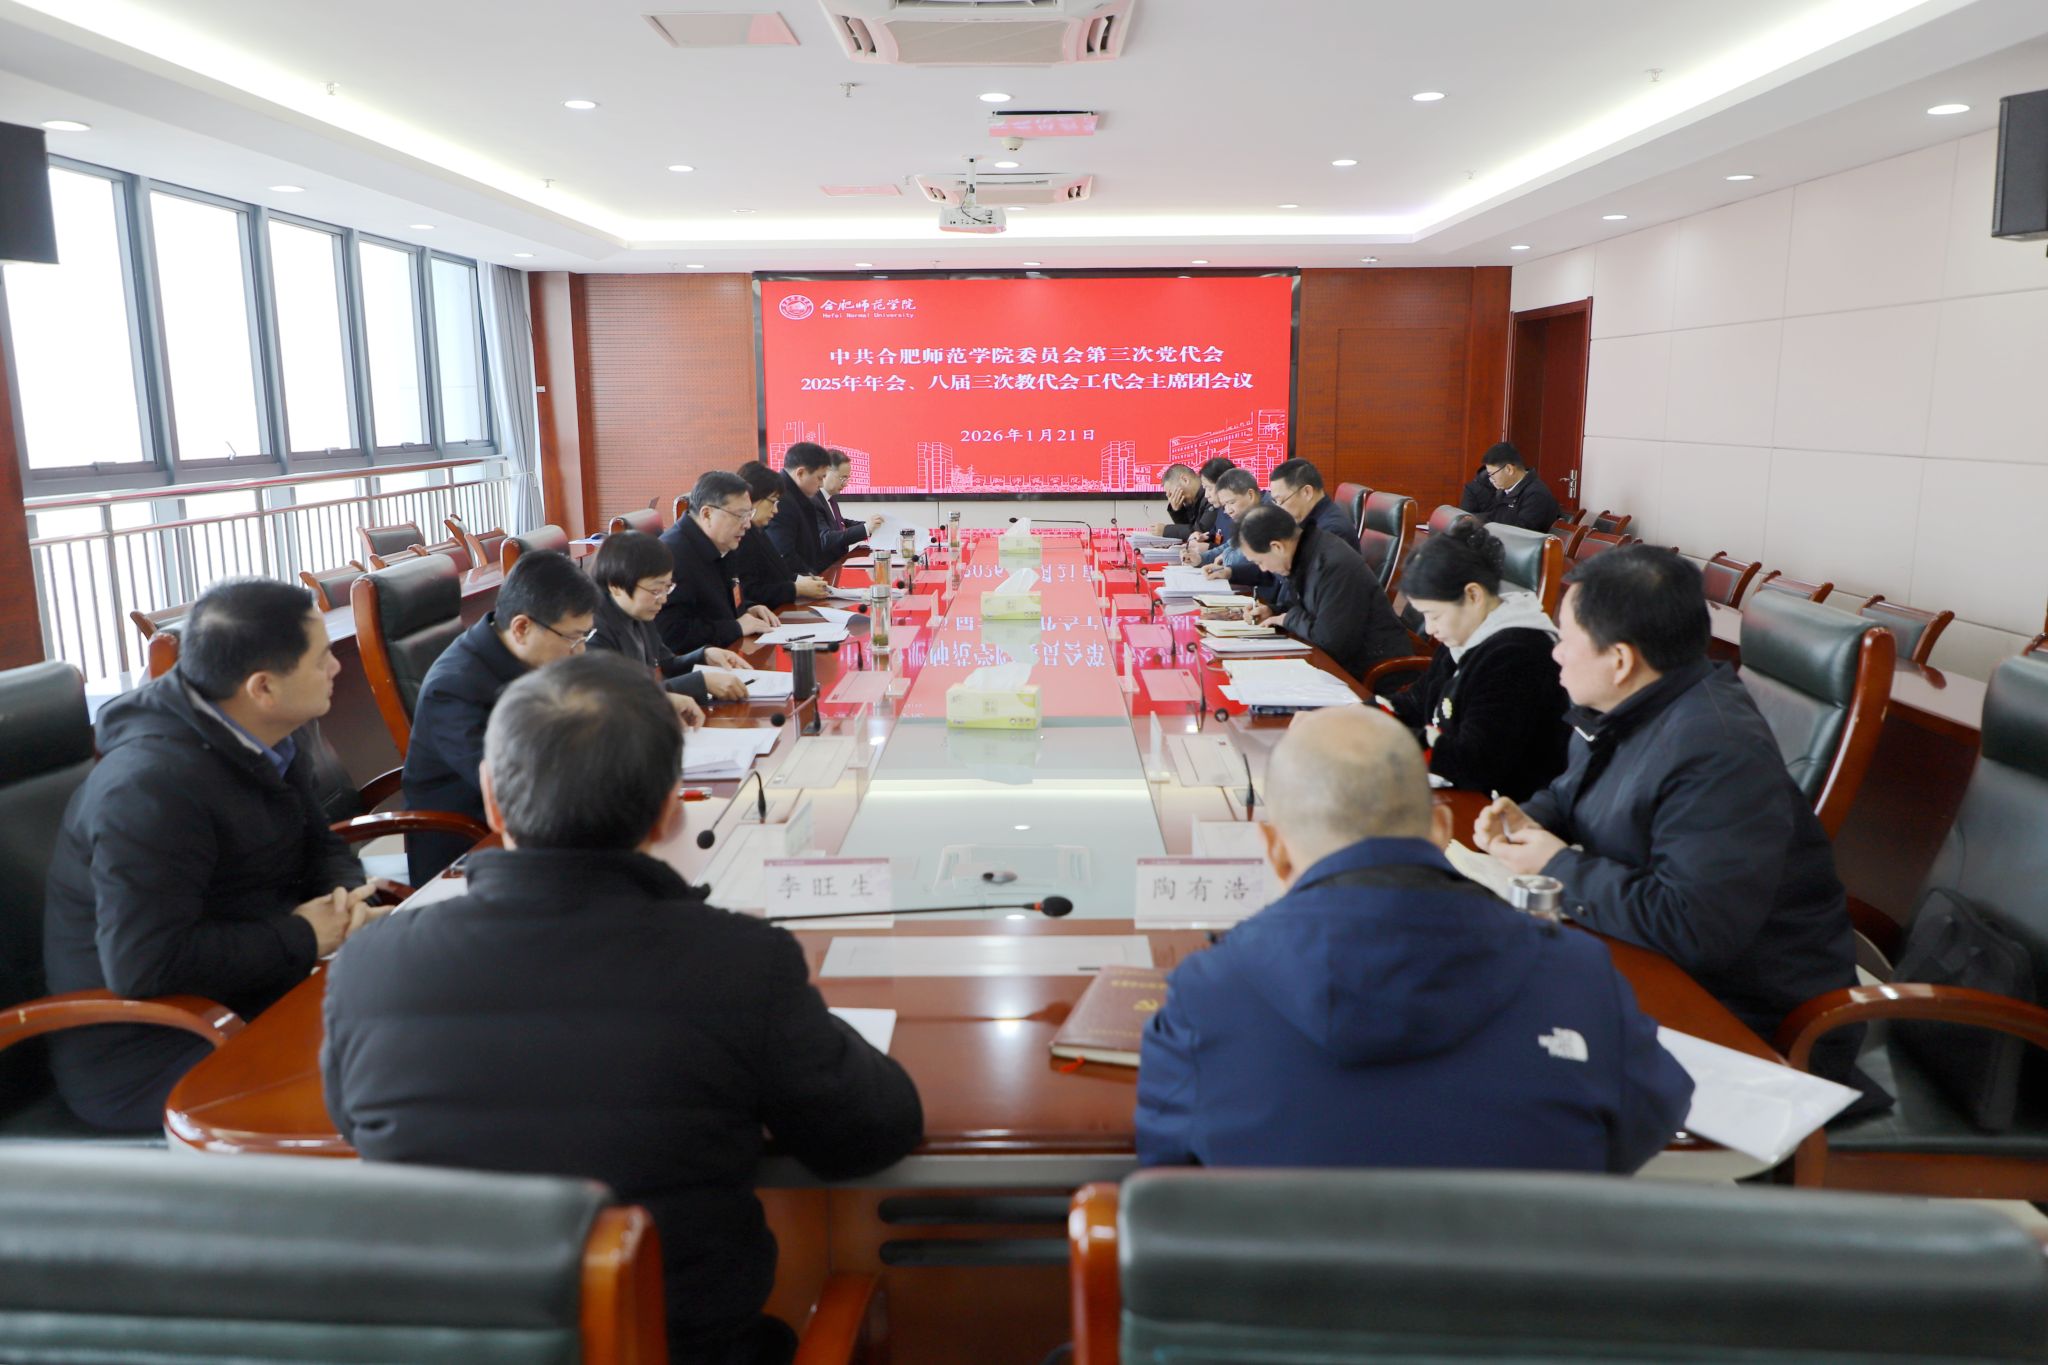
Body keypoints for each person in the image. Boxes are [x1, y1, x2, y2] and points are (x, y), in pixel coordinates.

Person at [324, 653, 924, 1365]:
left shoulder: (368, 966)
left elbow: (352, 1121)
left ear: (491, 798)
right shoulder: (737, 963)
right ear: (671, 809)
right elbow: (875, 1131)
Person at [1136, 706, 1693, 1172]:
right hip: (1517, 1273)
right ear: (1441, 830)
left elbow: (1169, 1174)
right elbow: (1645, 1126)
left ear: (1275, 849)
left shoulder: (1206, 996)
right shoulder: (1579, 978)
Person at [1474, 546, 1872, 1096]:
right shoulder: (1631, 705)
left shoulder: (1716, 752)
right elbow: (1572, 793)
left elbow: (1691, 926)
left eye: (1565, 639)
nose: (1555, 653)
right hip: (1660, 967)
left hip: (1748, 1021)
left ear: (1620, 660)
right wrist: (1528, 818)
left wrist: (1556, 865)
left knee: (1508, 1065)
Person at [43, 578, 381, 1130]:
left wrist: (343, 900)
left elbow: (319, 842)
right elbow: (146, 965)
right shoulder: (150, 788)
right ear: (263, 688)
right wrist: (302, 936)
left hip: (255, 995)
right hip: (155, 1050)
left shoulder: (267, 733)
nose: (337, 667)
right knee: (394, 1085)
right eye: (322, 658)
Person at [402, 549, 616, 884]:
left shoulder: (531, 656)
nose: (580, 651)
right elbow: (508, 784)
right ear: (522, 627)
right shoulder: (454, 687)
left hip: (536, 823)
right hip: (469, 847)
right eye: (573, 638)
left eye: (584, 637)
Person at [1384, 521, 1569, 800]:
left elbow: (1476, 762)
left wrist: (1384, 740)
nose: (1430, 629)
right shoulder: (1465, 634)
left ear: (1473, 595)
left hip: (1504, 807)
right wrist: (1358, 718)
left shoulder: (1519, 655)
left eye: (1434, 615)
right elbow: (1417, 701)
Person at [1237, 503, 1411, 680]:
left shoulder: (1332, 566)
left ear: (1277, 547)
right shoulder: (1307, 552)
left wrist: (1287, 619)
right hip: (1338, 665)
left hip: (1372, 676)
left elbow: (1330, 643)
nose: (1263, 569)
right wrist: (1273, 611)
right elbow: (1309, 606)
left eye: (1259, 562)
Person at [588, 530, 756, 704]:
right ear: (616, 586)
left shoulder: (637, 610)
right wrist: (700, 683)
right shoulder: (594, 631)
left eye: (667, 587)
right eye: (655, 590)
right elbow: (621, 697)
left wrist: (704, 655)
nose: (663, 599)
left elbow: (666, 663)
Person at [656, 470, 781, 656]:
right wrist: (735, 627)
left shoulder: (721, 542)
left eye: (749, 514)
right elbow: (672, 635)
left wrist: (746, 610)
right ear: (707, 514)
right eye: (740, 515)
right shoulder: (672, 557)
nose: (747, 524)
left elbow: (719, 604)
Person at [728, 461, 828, 609]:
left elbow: (776, 574)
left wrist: (803, 580)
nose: (775, 510)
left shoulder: (757, 531)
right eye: (773, 502)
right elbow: (749, 591)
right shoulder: (740, 537)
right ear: (752, 498)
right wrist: (796, 589)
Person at [762, 442, 832, 573]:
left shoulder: (797, 496)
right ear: (800, 473)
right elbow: (784, 554)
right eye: (820, 478)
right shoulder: (781, 499)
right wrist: (812, 577)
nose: (822, 484)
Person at [1475, 441, 1562, 532]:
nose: (1491, 479)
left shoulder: (1536, 494)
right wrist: (1473, 520)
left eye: (1492, 474)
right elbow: (1494, 516)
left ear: (1509, 469)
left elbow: (1521, 532)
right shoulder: (1506, 490)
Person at [814, 449, 881, 560]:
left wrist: (871, 525)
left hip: (840, 561)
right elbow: (825, 538)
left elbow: (840, 523)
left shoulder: (830, 499)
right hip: (825, 567)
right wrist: (865, 529)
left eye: (847, 478)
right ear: (825, 472)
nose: (845, 484)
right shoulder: (813, 501)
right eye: (842, 478)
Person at [1267, 458, 1355, 542]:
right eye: (1275, 501)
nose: (1278, 510)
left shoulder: (1331, 531)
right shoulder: (1309, 519)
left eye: (1281, 501)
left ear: (1307, 492)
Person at [1151, 463, 1208, 540]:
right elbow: (1189, 531)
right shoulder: (1192, 501)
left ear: (1185, 480)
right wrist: (1178, 510)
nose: (1171, 499)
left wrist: (1166, 530)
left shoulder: (1210, 496)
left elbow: (1201, 531)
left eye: (1171, 494)